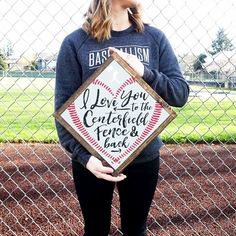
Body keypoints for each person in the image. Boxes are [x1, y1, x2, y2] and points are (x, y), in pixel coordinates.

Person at [55, 0, 189, 235]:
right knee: (95, 230)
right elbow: (63, 111)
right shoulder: (76, 42)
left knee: (135, 229)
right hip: (93, 161)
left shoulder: (154, 38)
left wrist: (144, 72)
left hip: (143, 156)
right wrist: (85, 158)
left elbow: (180, 93)